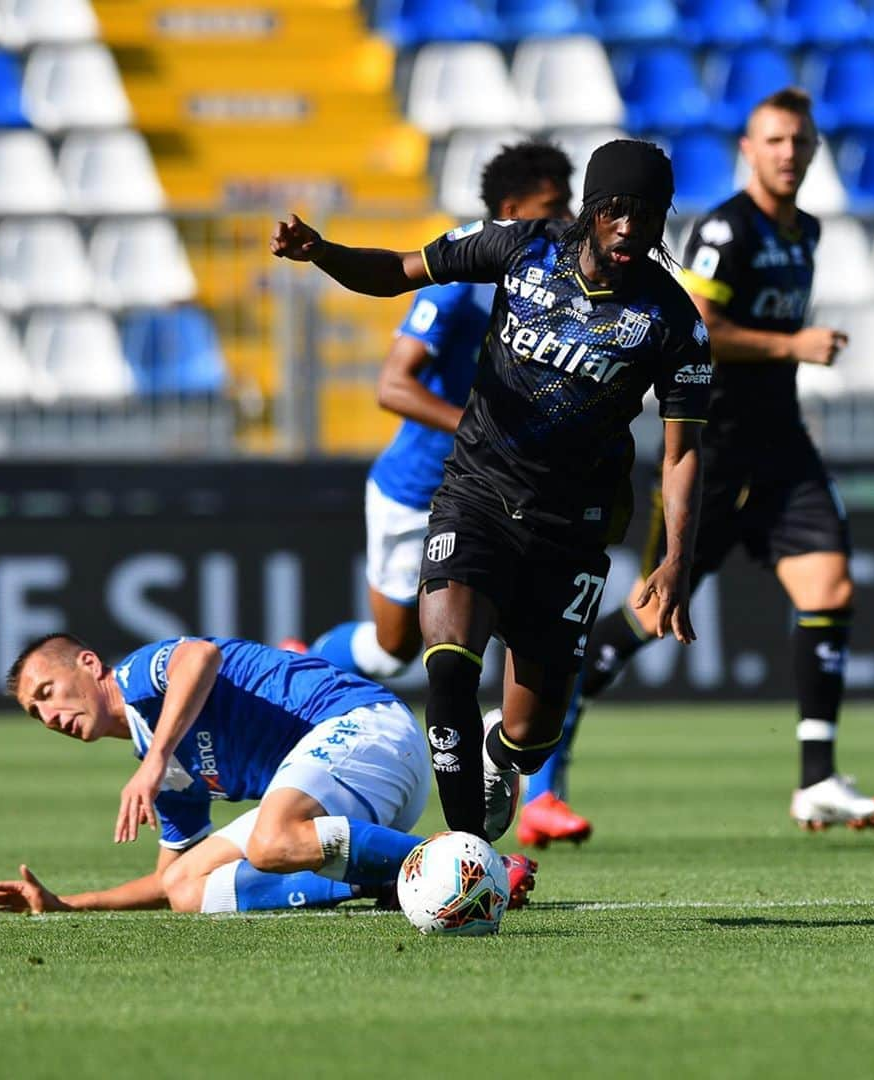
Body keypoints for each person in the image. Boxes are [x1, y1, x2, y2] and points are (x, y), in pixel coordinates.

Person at [271, 138, 713, 843]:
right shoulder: (521, 247)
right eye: (618, 210)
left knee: (530, 738)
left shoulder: (674, 322)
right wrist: (322, 251)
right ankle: (465, 853)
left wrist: (676, 558)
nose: (631, 227)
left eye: (648, 214)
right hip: (475, 496)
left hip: (571, 529)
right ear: (594, 211)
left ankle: (495, 756)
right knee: (446, 665)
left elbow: (684, 452)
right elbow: (396, 270)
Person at [551, 88, 874, 838]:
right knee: (649, 614)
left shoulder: (805, 230)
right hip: (711, 448)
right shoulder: (724, 230)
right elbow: (699, 324)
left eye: (799, 141)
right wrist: (790, 346)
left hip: (783, 448)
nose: (787, 153)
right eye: (773, 140)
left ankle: (816, 780)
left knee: (830, 583)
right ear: (749, 147)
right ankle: (537, 741)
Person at [299, 141, 591, 848]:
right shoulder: (460, 281)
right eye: (556, 207)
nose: (571, 218)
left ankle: (540, 791)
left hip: (511, 495)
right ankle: (309, 663)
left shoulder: (565, 283)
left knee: (542, 640)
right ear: (512, 212)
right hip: (419, 487)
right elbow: (392, 385)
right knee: (397, 646)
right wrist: (482, 429)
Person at [0, 633, 535, 915]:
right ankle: (393, 875)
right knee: (188, 889)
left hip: (368, 727)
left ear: (90, 666)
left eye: (47, 693)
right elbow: (167, 879)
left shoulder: (140, 677)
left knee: (270, 839)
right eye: (34, 712)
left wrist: (157, 758)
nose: (48, 715)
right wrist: (71, 904)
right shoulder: (162, 769)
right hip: (344, 801)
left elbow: (200, 656)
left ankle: (462, 864)